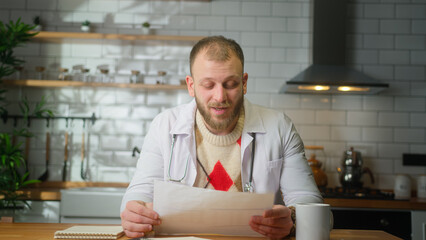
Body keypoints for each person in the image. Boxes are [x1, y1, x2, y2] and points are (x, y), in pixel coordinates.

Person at [120, 36, 323, 239]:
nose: (220, 97)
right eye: (208, 85)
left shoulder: (280, 127)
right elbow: (139, 194)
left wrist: (293, 219)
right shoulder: (164, 126)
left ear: (244, 83)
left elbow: (312, 204)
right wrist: (134, 212)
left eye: (230, 84)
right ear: (191, 86)